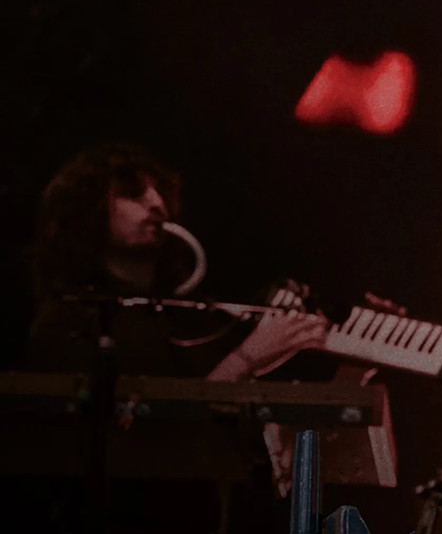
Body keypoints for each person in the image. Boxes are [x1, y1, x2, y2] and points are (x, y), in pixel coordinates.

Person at [26, 143, 329, 382]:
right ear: (87, 209)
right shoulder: (68, 323)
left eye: (159, 192)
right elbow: (150, 430)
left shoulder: (184, 316)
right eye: (133, 194)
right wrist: (249, 357)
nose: (157, 203)